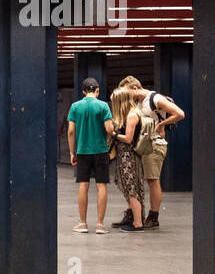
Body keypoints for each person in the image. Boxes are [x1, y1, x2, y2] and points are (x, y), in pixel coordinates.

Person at [115, 76, 185, 229]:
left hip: (154, 145)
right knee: (135, 181)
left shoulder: (155, 98)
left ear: (135, 88)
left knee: (153, 180)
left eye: (127, 92)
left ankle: (153, 217)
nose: (127, 97)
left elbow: (180, 113)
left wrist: (161, 124)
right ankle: (132, 213)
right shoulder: (138, 103)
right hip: (142, 146)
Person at [66, 77, 116, 234]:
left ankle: (83, 224)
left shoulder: (75, 106)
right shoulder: (103, 106)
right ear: (98, 90)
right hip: (101, 150)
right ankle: (100, 225)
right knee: (101, 186)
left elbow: (71, 131)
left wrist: (72, 152)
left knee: (83, 185)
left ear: (83, 91)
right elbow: (109, 129)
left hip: (82, 151)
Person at [109, 87, 146, 232]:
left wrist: (114, 134)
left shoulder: (132, 115)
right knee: (129, 188)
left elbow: (128, 138)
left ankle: (138, 224)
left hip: (129, 156)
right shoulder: (129, 114)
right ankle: (135, 219)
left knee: (132, 189)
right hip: (125, 156)